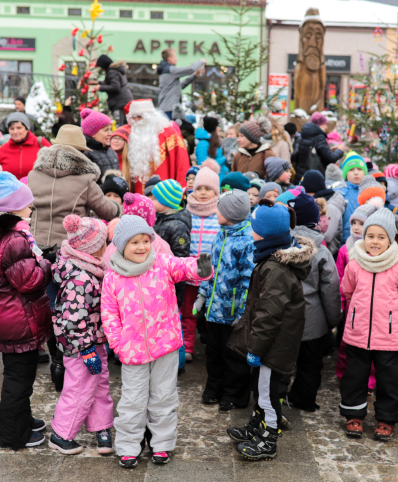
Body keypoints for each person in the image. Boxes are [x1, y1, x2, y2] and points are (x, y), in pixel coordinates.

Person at [101, 215, 213, 467]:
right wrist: (118, 344)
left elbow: (183, 266)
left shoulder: (160, 263)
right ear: (120, 245)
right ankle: (129, 446)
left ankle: (161, 444)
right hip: (133, 352)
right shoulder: (113, 277)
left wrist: (200, 268)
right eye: (134, 242)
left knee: (164, 397)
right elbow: (108, 314)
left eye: (145, 241)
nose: (142, 247)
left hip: (165, 346)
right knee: (133, 401)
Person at [227, 199, 312, 461]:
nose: (250, 231)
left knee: (268, 393)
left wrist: (256, 349)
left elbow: (269, 316)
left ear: (264, 234)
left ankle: (268, 438)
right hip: (271, 345)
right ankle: (258, 424)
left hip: (272, 348)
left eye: (253, 227)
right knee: (260, 389)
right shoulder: (271, 260)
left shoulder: (275, 269)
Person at [0, 166, 52, 449]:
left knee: (17, 375)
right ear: (14, 208)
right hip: (18, 319)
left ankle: (22, 419)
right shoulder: (15, 240)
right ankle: (12, 435)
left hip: (3, 317)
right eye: (26, 203)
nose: (31, 207)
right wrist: (47, 265)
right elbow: (29, 281)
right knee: (19, 380)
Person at [340, 208, 398, 441]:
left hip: (388, 334)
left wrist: (392, 318)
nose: (375, 242)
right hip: (358, 331)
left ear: (392, 238)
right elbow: (347, 290)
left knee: (388, 377)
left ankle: (386, 418)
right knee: (355, 374)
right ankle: (354, 415)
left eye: (381, 237)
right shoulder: (355, 264)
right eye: (370, 236)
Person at [49, 215, 114, 455]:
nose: (107, 247)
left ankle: (102, 427)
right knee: (79, 388)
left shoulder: (91, 269)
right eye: (104, 242)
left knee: (99, 384)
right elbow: (73, 320)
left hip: (95, 341)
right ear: (93, 247)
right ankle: (61, 433)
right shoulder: (80, 278)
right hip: (81, 347)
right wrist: (86, 349)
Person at [194, 189, 254, 410]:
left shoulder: (247, 240)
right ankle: (214, 387)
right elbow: (208, 268)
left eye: (219, 208)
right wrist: (202, 294)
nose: (215, 211)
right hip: (214, 309)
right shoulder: (221, 233)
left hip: (232, 313)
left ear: (231, 213)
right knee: (213, 352)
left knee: (234, 356)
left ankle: (234, 393)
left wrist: (242, 312)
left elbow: (249, 280)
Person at [287, 193, 341, 411]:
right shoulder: (322, 249)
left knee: (281, 363)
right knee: (310, 364)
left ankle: (276, 400)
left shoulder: (281, 243)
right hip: (313, 319)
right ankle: (304, 400)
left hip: (285, 316)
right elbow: (330, 288)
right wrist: (332, 319)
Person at [28, 125, 121, 249]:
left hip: (35, 245)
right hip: (69, 248)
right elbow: (108, 211)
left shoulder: (33, 175)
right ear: (80, 152)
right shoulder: (85, 180)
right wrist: (118, 207)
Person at [335, 204, 379, 391]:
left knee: (370, 346)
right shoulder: (345, 250)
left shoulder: (377, 252)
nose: (355, 227)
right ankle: (343, 374)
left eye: (361, 223)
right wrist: (342, 304)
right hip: (351, 306)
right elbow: (339, 279)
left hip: (372, 308)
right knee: (346, 344)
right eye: (353, 222)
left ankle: (369, 381)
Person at [181, 168, 220, 362]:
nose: (203, 193)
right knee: (187, 311)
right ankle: (187, 346)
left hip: (212, 274)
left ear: (216, 192)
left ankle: (212, 346)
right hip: (190, 273)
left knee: (209, 312)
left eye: (208, 189)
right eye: (199, 188)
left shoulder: (219, 215)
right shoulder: (187, 213)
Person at [123, 99, 190, 192]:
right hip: (138, 194)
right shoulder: (131, 134)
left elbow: (181, 162)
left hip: (164, 192)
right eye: (133, 117)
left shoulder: (169, 133)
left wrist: (181, 188)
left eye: (139, 116)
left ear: (150, 116)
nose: (137, 120)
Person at [152, 179, 192, 308]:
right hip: (156, 280)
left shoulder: (178, 226)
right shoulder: (158, 218)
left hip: (170, 283)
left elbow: (181, 257)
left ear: (166, 202)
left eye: (155, 198)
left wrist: (176, 288)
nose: (151, 201)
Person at [300, 169, 346, 257]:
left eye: (305, 191)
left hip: (327, 255)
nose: (303, 194)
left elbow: (327, 236)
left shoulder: (330, 207)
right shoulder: (315, 202)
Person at [0, 112, 51, 180]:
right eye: (12, 129)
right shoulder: (3, 149)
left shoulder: (41, 143)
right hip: (10, 190)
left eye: (19, 128)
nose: (15, 132)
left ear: (27, 129)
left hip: (36, 189)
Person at [292, 111, 344, 182]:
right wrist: (340, 150)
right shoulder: (319, 137)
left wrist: (329, 150)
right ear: (319, 125)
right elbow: (331, 158)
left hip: (301, 176)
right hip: (314, 178)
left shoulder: (303, 135)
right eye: (324, 124)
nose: (326, 127)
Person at [157, 48, 205, 118]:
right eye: (175, 56)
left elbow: (180, 86)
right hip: (169, 110)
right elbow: (190, 69)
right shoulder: (171, 70)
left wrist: (194, 75)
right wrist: (201, 61)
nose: (177, 58)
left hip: (167, 109)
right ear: (170, 59)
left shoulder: (167, 71)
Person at [90, 54, 133, 126]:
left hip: (119, 103)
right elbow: (112, 83)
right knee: (125, 125)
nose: (101, 69)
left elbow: (115, 87)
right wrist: (98, 83)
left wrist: (100, 88)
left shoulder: (112, 72)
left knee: (119, 126)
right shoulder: (116, 71)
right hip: (124, 102)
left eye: (101, 66)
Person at [337, 151, 368, 243]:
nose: (356, 173)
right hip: (345, 243)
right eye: (351, 170)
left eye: (359, 169)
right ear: (345, 174)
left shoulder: (371, 192)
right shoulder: (339, 194)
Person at [80, 109, 119, 178]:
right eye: (106, 130)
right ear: (92, 133)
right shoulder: (86, 154)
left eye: (110, 129)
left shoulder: (111, 152)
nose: (110, 133)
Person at [195, 116, 229, 180]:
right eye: (218, 126)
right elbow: (204, 164)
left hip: (220, 177)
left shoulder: (214, 142)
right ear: (214, 128)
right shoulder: (203, 143)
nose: (219, 129)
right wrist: (225, 158)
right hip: (210, 179)